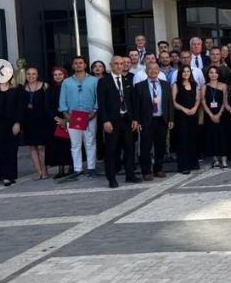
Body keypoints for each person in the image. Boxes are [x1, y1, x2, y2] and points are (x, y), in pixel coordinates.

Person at [96, 56, 138, 188]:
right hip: (112, 121)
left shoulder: (127, 80)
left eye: (121, 63)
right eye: (116, 64)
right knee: (111, 150)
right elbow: (101, 103)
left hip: (127, 119)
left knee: (129, 148)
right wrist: (105, 121)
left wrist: (135, 119)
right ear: (111, 65)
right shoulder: (104, 81)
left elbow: (132, 101)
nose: (119, 66)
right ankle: (111, 178)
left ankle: (130, 175)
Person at [58, 56, 99, 181]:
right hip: (73, 116)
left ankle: (91, 168)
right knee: (75, 144)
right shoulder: (67, 82)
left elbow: (98, 97)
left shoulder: (94, 80)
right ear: (72, 66)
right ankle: (77, 169)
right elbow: (62, 98)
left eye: (81, 63)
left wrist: (94, 112)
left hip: (89, 115)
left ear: (85, 65)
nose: (78, 65)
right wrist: (65, 114)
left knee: (90, 143)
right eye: (76, 63)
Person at [132, 62, 175, 180]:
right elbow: (136, 105)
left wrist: (171, 118)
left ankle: (158, 169)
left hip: (162, 120)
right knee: (145, 147)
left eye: (156, 68)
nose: (153, 71)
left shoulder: (166, 85)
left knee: (160, 146)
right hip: (147, 121)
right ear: (146, 71)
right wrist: (137, 120)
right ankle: (146, 171)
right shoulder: (139, 86)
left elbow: (170, 103)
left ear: (159, 71)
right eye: (150, 69)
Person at [0, 70, 22, 186]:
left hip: (13, 123)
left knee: (12, 150)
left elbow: (20, 107)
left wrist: (18, 122)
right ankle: (4, 176)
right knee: (1, 150)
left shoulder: (17, 89)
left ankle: (11, 175)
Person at [172, 65, 201, 174]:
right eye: (184, 71)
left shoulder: (194, 84)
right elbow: (173, 102)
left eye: (188, 71)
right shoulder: (176, 85)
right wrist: (184, 109)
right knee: (182, 140)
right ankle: (183, 166)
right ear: (180, 73)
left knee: (192, 139)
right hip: (181, 116)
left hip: (193, 114)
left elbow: (198, 99)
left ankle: (193, 163)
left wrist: (195, 108)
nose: (186, 73)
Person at [22, 67, 50, 180]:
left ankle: (45, 171)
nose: (31, 76)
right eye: (28, 74)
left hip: (42, 120)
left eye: (33, 74)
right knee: (32, 146)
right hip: (28, 121)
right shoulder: (22, 88)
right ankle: (38, 172)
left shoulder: (44, 86)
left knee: (41, 146)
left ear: (37, 75)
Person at [45, 67, 72, 180]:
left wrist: (67, 119)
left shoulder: (70, 87)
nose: (58, 76)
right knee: (58, 146)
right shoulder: (50, 90)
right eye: (55, 75)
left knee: (70, 144)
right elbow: (47, 106)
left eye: (60, 74)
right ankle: (61, 170)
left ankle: (72, 167)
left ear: (64, 75)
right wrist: (58, 119)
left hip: (70, 119)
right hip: (56, 121)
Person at [202, 66, 228, 168]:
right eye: (211, 72)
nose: (213, 75)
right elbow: (203, 102)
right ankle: (216, 160)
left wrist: (219, 114)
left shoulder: (223, 86)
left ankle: (224, 160)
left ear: (218, 74)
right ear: (208, 74)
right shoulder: (204, 87)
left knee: (222, 137)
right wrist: (211, 115)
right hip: (209, 115)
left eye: (215, 73)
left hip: (221, 115)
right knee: (211, 137)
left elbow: (225, 101)